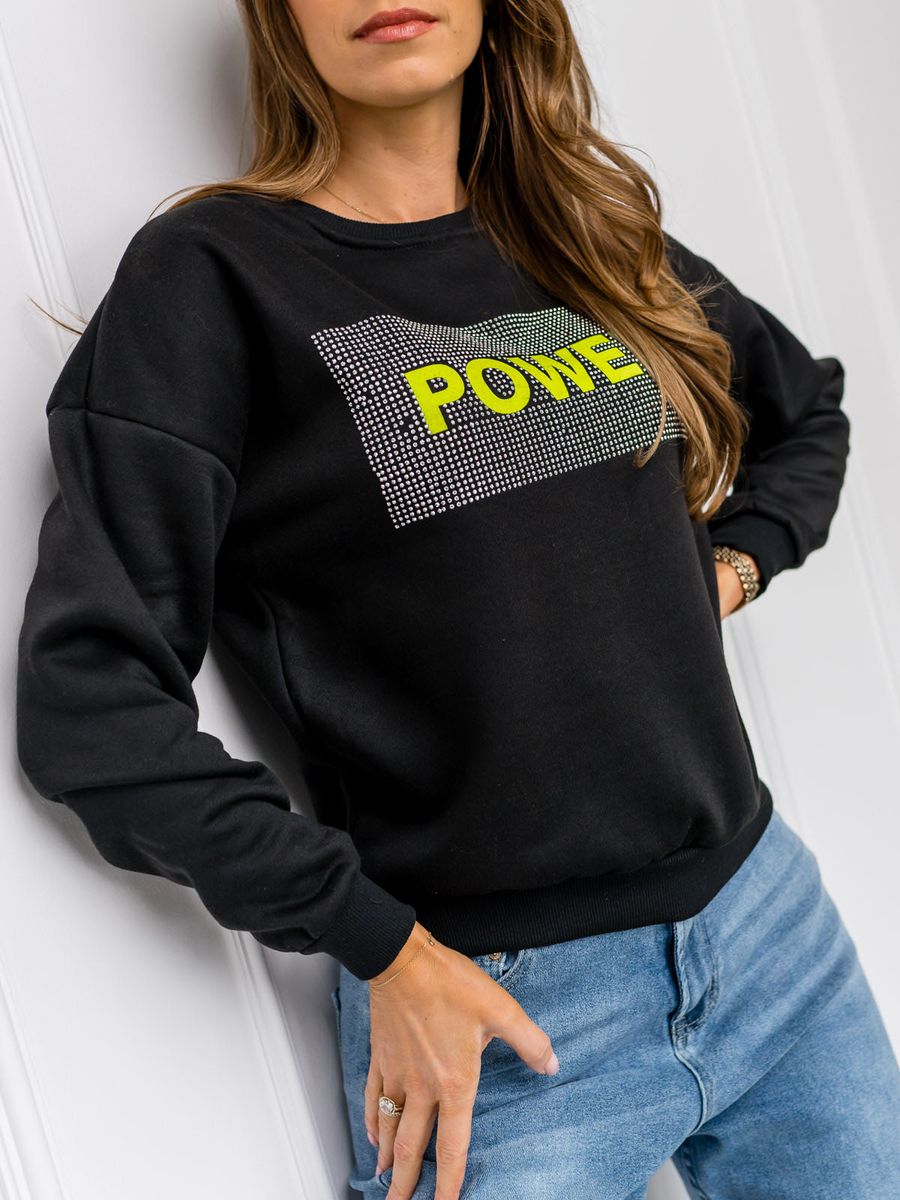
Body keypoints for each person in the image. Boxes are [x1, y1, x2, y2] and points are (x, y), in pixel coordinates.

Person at [16, 1, 900, 1198]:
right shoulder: (216, 278)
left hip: (770, 934)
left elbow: (805, 411)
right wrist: (378, 942)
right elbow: (86, 703)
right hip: (496, 1019)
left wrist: (729, 568)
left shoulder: (582, 238)